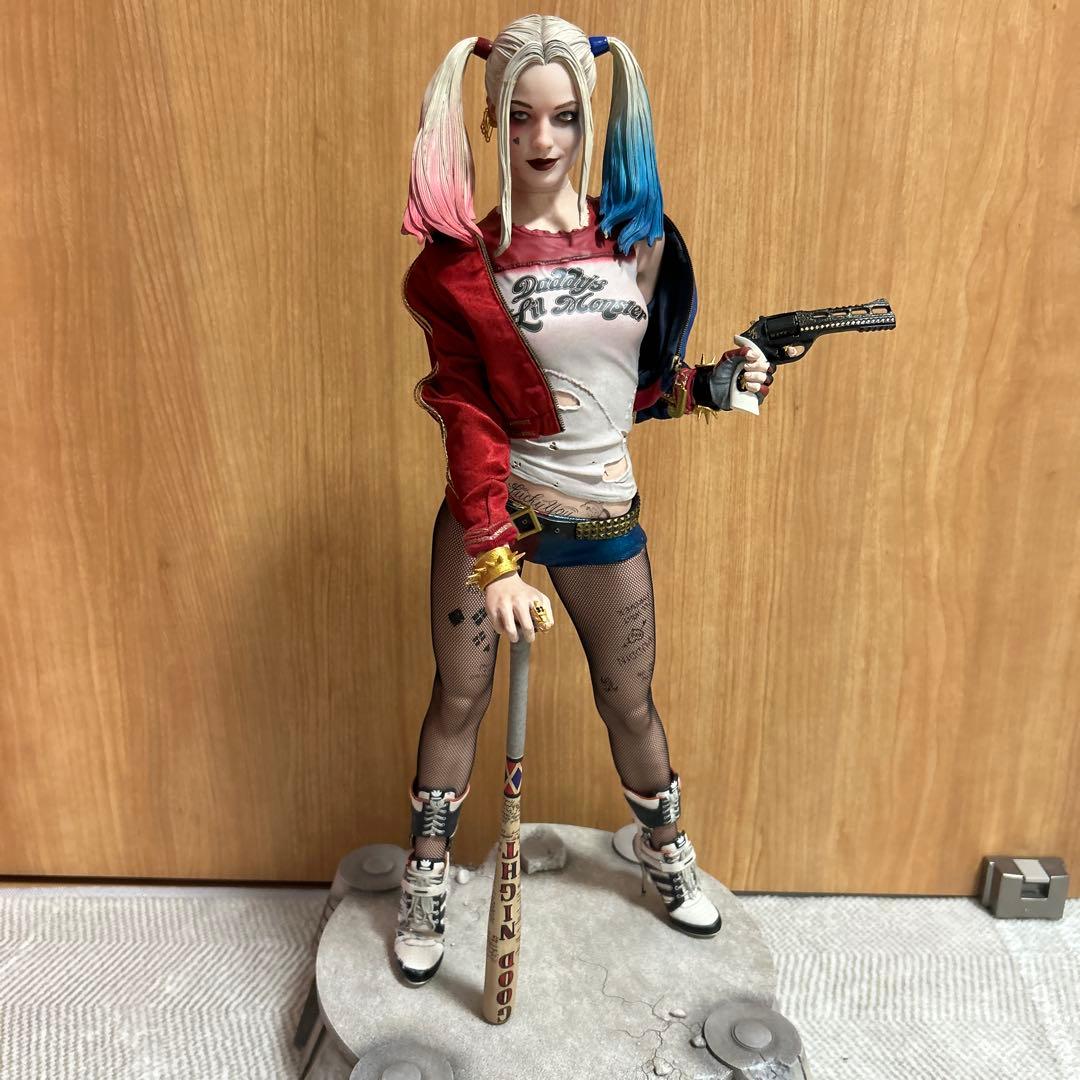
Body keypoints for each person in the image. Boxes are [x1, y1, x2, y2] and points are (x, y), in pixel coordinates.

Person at [394, 14, 776, 986]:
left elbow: (628, 387)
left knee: (629, 698)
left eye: (563, 117)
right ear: (491, 119)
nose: (543, 139)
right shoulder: (461, 266)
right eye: (520, 117)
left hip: (602, 513)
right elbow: (469, 415)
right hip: (495, 517)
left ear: (590, 118)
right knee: (460, 695)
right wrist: (494, 561)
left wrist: (713, 386)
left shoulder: (638, 241)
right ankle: (426, 876)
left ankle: (663, 847)